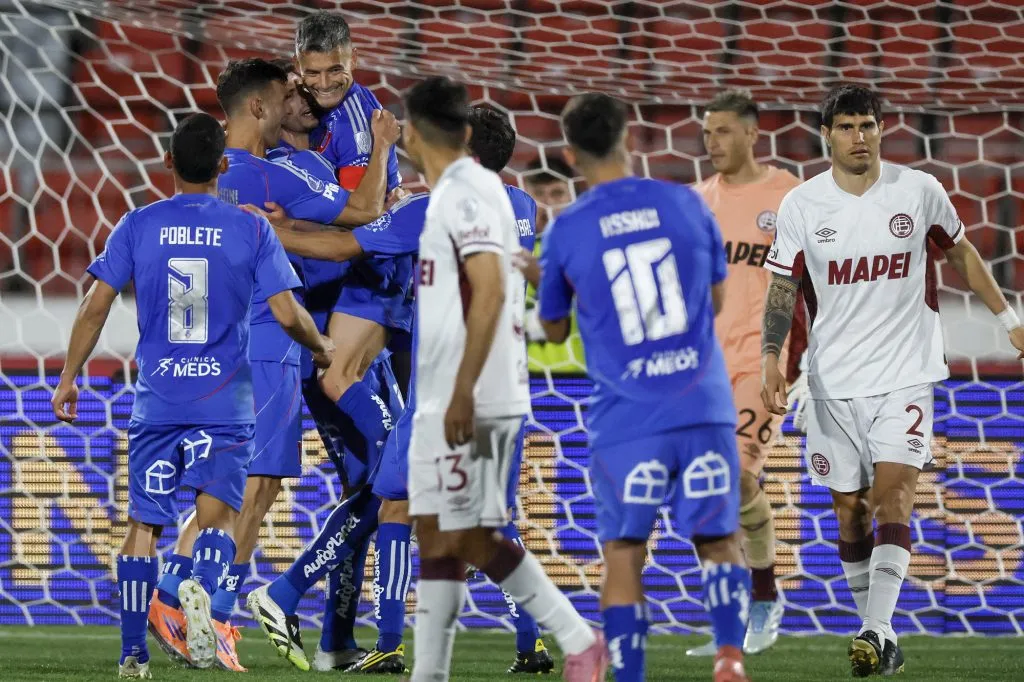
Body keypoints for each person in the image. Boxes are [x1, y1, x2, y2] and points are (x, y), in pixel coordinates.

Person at [51, 112, 333, 678]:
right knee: (216, 518)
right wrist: (320, 346)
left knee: (143, 526)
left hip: (158, 401)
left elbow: (95, 305)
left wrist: (68, 376)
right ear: (222, 165)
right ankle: (201, 589)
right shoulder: (251, 227)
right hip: (225, 403)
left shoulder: (138, 223)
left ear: (168, 162)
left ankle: (133, 655)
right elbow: (286, 313)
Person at [759, 83, 1024, 677]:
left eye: (868, 125)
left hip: (905, 374)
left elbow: (961, 253)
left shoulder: (918, 190)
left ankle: (875, 629)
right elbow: (783, 285)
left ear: (882, 129)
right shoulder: (804, 204)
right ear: (827, 135)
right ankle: (878, 636)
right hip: (831, 382)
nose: (860, 137)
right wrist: (771, 355)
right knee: (850, 512)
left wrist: (1009, 320)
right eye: (847, 127)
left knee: (893, 498)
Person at [146, 58, 398, 672]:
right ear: (258, 107)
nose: (297, 100)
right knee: (255, 490)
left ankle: (180, 600)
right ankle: (205, 611)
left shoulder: (207, 177)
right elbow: (365, 213)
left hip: (206, 350)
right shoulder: (273, 174)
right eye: (287, 94)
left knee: (231, 488)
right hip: (270, 343)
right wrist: (384, 147)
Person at [533, 93, 750, 682]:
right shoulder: (686, 202)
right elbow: (718, 297)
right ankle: (730, 658)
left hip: (627, 417)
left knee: (625, 551)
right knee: (718, 537)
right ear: (629, 139)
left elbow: (553, 329)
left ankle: (629, 674)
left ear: (570, 154)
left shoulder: (568, 228)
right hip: (702, 402)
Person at [402, 75, 605, 682]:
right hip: (449, 389)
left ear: (411, 132)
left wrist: (463, 391)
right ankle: (430, 674)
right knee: (437, 534)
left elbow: (489, 289)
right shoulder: (468, 190)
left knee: (467, 535)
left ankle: (578, 638)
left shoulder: (464, 194)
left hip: (472, 393)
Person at [686, 88, 806, 657]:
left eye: (724, 131)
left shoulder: (790, 195)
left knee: (734, 477)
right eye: (707, 132)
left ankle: (764, 597)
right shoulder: (696, 201)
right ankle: (731, 620)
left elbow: (815, 276)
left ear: (754, 134)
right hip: (703, 366)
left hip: (764, 362)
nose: (713, 142)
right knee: (710, 491)